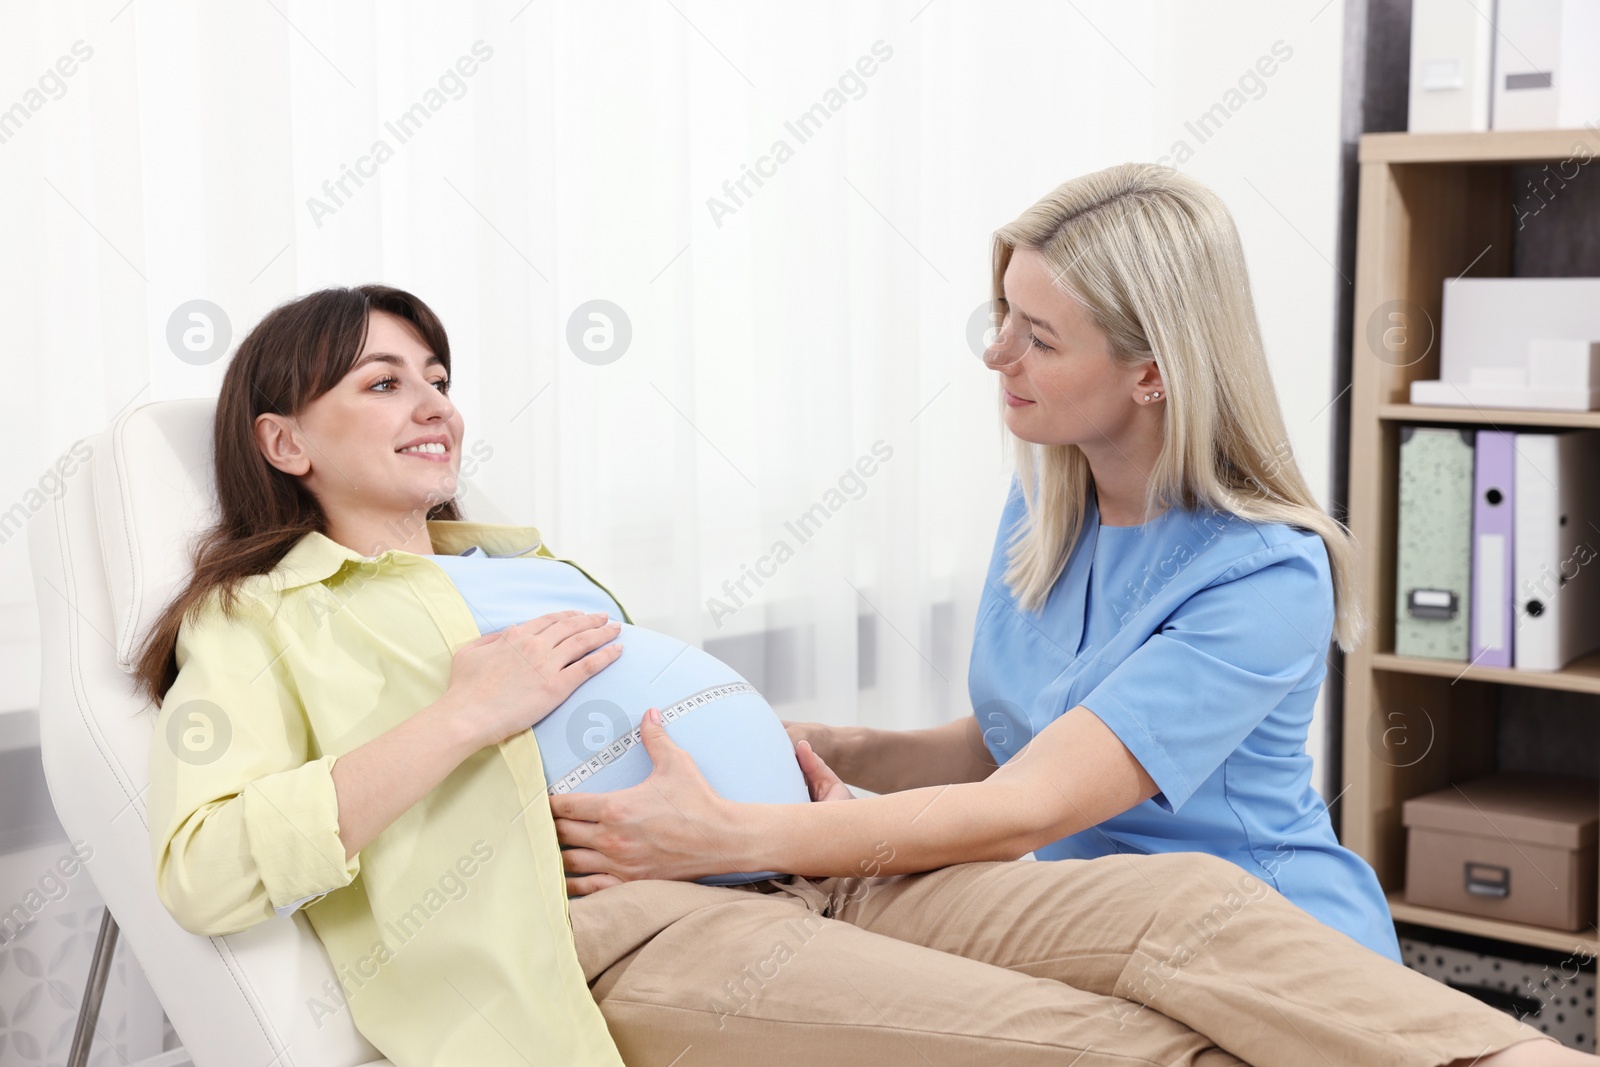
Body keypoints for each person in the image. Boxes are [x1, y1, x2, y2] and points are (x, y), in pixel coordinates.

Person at [139, 281, 1579, 1067]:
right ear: (283, 442)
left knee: (1192, 905)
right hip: (627, 927)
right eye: (379, 382)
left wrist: (780, 763)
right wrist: (465, 714)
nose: (431, 399)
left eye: (436, 372)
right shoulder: (269, 619)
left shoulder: (525, 557)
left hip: (814, 856)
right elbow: (207, 864)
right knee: (1103, 1041)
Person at [551, 162, 1399, 961]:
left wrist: (730, 833)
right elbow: (1019, 743)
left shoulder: (1265, 577)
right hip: (1111, 930)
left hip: (1272, 946)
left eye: (1040, 338)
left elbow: (1024, 807)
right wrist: (825, 746)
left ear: (1150, 372)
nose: (996, 354)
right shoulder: (1046, 510)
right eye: (1002, 315)